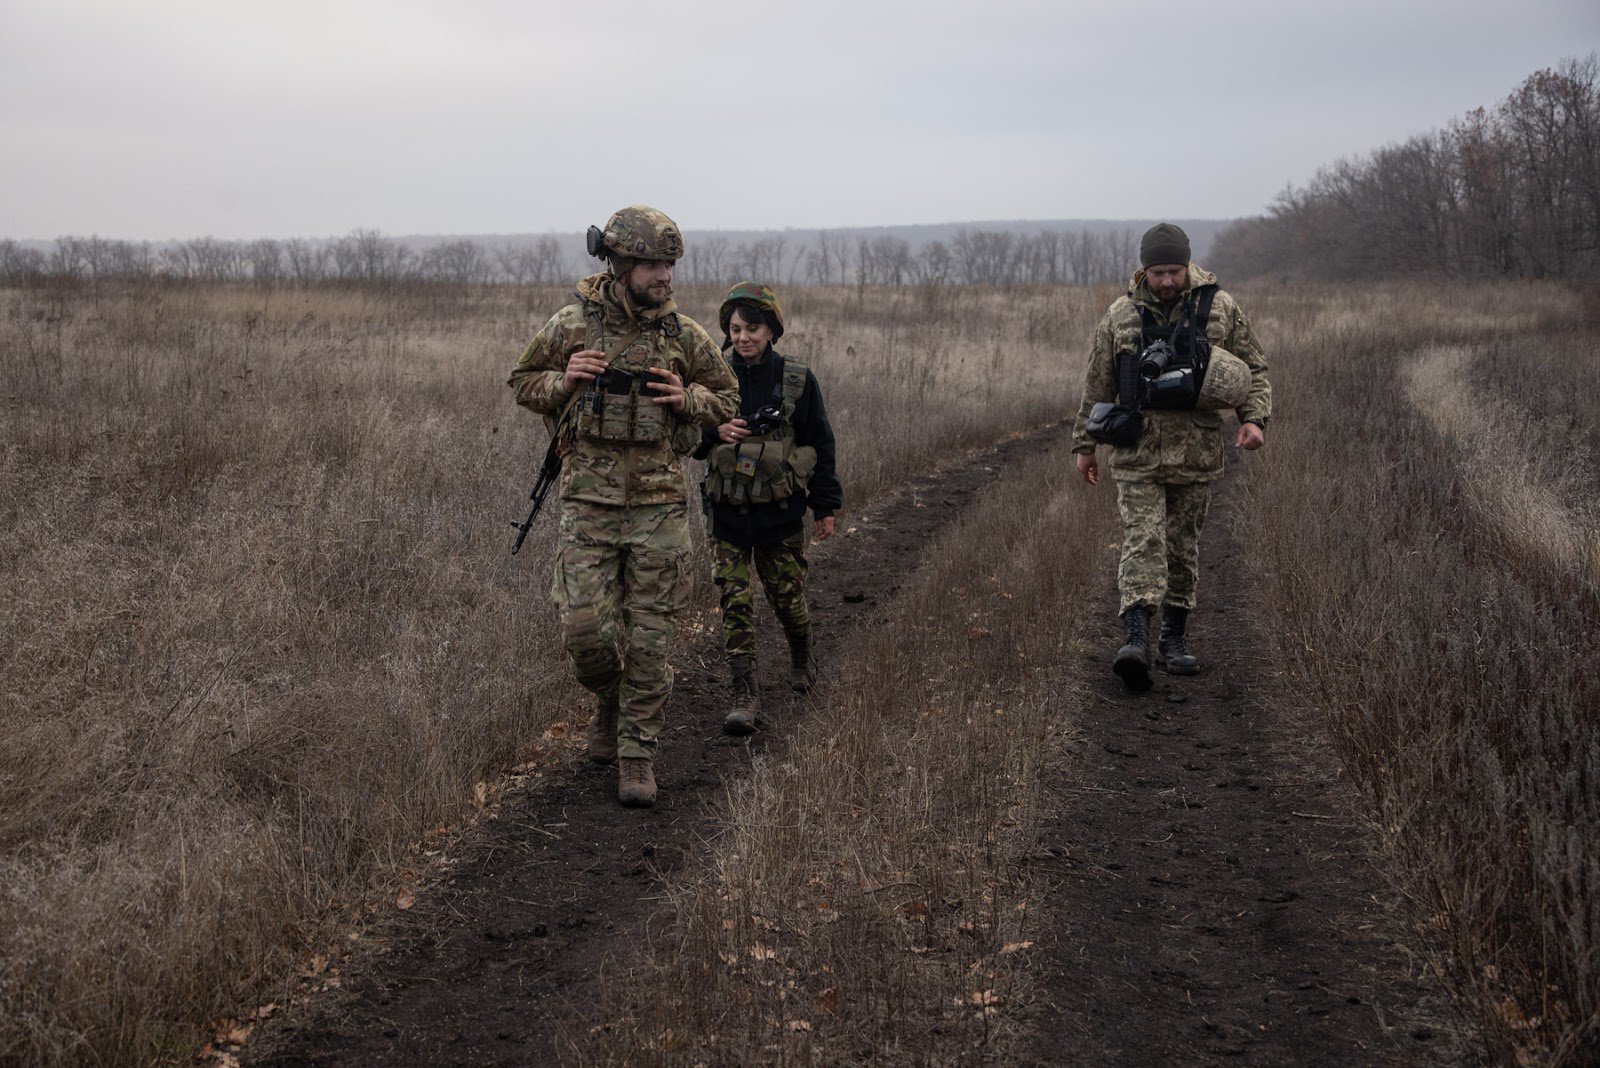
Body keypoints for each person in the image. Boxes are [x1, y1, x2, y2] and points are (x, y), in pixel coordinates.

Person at [508, 205, 738, 807]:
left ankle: (637, 755)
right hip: (587, 503)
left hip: (659, 504)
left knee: (652, 639)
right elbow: (521, 380)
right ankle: (607, 701)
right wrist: (565, 381)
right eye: (652, 264)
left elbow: (727, 398)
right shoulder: (572, 325)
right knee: (585, 634)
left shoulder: (683, 335)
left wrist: (689, 399)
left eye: (669, 264)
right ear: (620, 263)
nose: (664, 275)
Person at [1070, 222, 1272, 691]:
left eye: (1174, 271)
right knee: (1144, 540)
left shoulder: (1220, 309)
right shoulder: (1120, 315)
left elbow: (1254, 369)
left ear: (1187, 266)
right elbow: (1096, 384)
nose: (1166, 281)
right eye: (1158, 272)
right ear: (1144, 270)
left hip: (1197, 453)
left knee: (1182, 549)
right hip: (1136, 452)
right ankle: (1135, 640)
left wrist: (1254, 420)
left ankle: (1174, 640)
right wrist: (1085, 445)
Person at [693, 282, 841, 734]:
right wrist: (716, 433)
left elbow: (820, 441)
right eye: (736, 329)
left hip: (779, 516)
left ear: (772, 330)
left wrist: (825, 506)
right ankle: (744, 693)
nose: (743, 337)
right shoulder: (713, 379)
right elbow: (688, 441)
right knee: (734, 603)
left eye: (753, 328)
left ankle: (801, 652)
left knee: (788, 600)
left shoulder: (796, 380)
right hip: (728, 516)